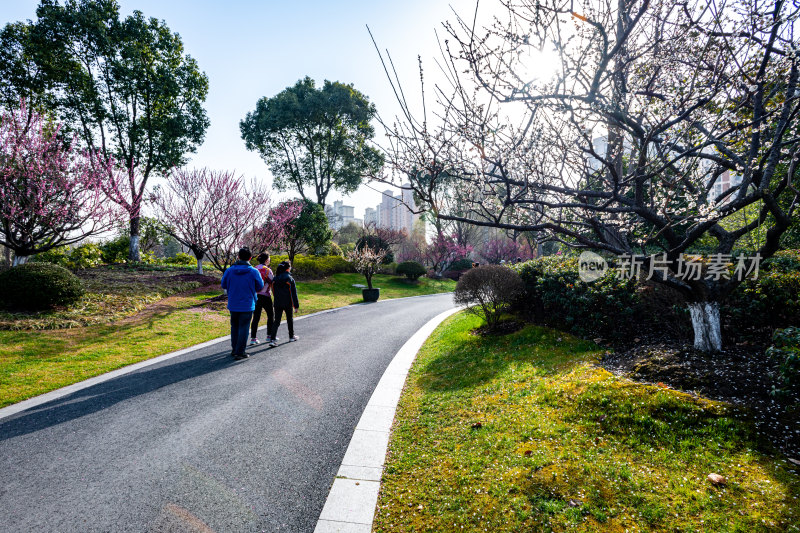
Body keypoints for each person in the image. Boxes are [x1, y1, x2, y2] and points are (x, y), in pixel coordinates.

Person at [221, 247, 263, 360]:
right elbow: (260, 286)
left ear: (238, 257)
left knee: (234, 327)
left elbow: (223, 284)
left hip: (233, 303)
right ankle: (240, 352)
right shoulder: (254, 271)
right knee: (244, 327)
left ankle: (234, 349)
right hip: (247, 303)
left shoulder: (229, 270)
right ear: (250, 258)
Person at [269, 260, 299, 346]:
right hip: (287, 303)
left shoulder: (275, 279)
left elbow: (273, 291)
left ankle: (272, 339)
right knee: (289, 319)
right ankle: (291, 336)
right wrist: (296, 306)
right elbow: (293, 293)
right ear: (287, 269)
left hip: (277, 302)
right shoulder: (289, 279)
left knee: (277, 321)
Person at [250, 252, 275, 346]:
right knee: (271, 315)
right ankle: (269, 336)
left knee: (256, 317)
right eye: (269, 258)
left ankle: (253, 338)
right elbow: (272, 281)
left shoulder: (254, 269)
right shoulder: (268, 270)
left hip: (255, 296)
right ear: (266, 260)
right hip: (265, 295)